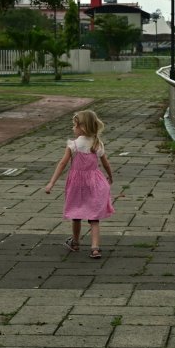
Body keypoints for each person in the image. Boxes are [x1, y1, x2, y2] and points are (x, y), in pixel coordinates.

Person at [44, 110, 114, 258]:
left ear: (81, 127)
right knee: (94, 218)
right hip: (95, 184)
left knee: (76, 214)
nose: (72, 128)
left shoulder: (73, 145)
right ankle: (95, 248)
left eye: (74, 125)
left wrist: (51, 183)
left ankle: (75, 242)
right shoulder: (97, 144)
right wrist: (110, 176)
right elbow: (106, 164)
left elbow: (62, 164)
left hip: (77, 185)